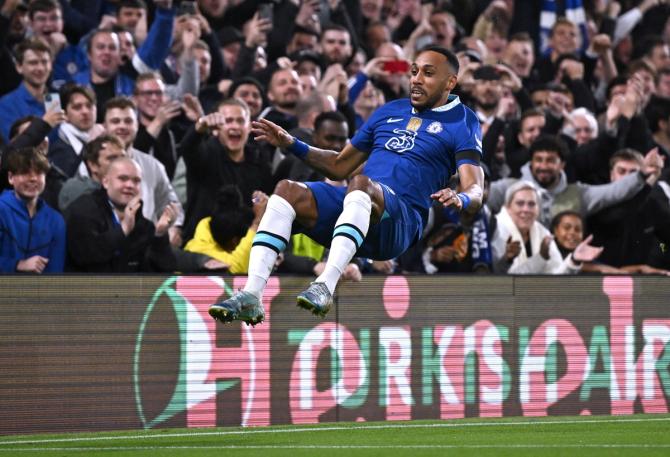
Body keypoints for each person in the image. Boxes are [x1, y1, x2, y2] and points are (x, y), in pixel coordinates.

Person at [209, 44, 485, 326]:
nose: (416, 79)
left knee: (362, 183)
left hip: (400, 222)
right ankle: (252, 295)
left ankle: (325, 286)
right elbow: (339, 164)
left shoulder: (463, 121)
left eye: (428, 73)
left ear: (450, 82)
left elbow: (475, 187)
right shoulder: (390, 111)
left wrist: (461, 198)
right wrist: (291, 143)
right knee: (287, 190)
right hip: (358, 205)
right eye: (414, 72)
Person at [65, 156, 178, 272]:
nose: (130, 185)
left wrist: (160, 235)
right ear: (105, 182)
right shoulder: (83, 209)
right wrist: (123, 230)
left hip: (130, 289)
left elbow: (165, 271)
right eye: (123, 178)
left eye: (136, 181)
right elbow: (84, 256)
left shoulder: (144, 225)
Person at [491, 181, 601, 274]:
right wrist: (541, 258)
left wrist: (574, 261)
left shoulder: (542, 232)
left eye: (531, 204)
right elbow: (506, 280)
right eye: (520, 203)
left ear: (538, 209)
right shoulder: (496, 228)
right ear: (507, 207)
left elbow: (555, 281)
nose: (526, 209)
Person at [0, 147, 65, 273]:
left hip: (39, 291)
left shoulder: (56, 220)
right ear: (10, 177)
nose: (33, 178)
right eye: (25, 172)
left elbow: (55, 273)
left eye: (39, 172)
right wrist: (18, 264)